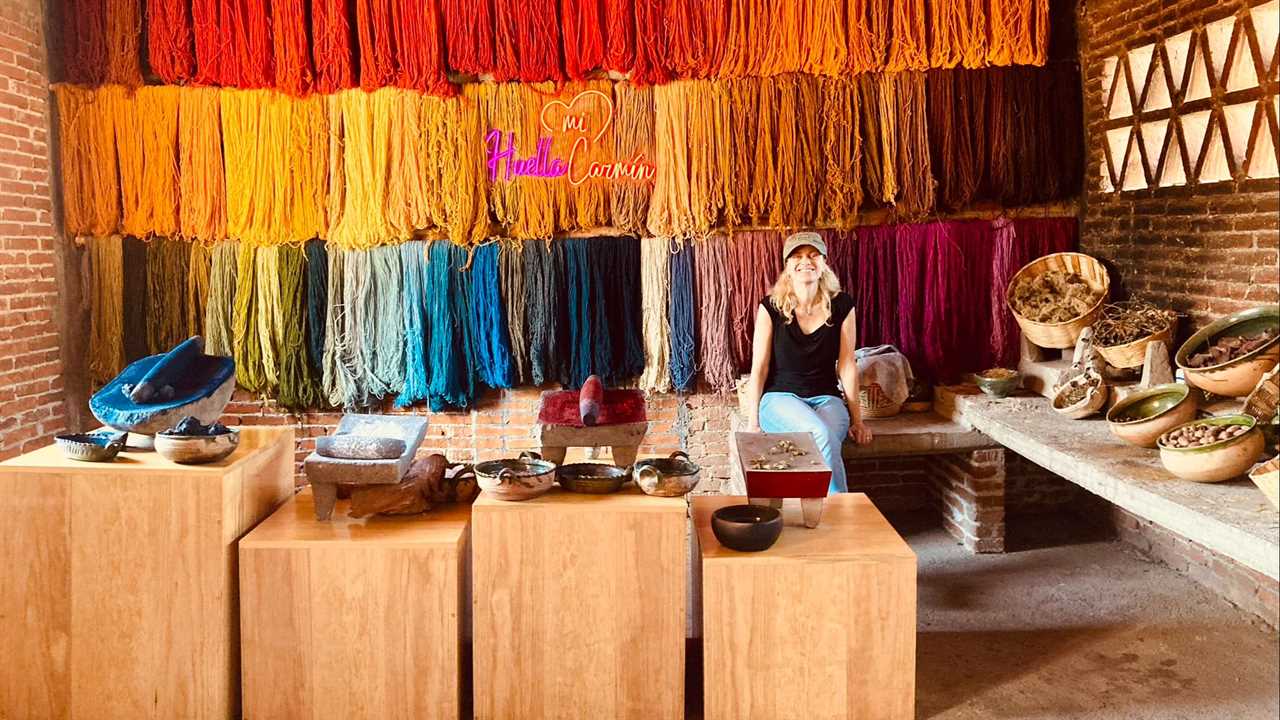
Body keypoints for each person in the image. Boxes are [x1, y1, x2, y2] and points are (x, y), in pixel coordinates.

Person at [744, 231, 873, 494]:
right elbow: (759, 368)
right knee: (819, 433)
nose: (806, 261)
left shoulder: (842, 306)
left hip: (827, 399)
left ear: (824, 262)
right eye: (798, 256)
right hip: (780, 399)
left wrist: (857, 421)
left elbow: (847, 365)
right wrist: (752, 422)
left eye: (813, 255)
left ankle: (818, 510)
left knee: (826, 438)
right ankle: (841, 512)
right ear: (787, 266)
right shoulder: (770, 307)